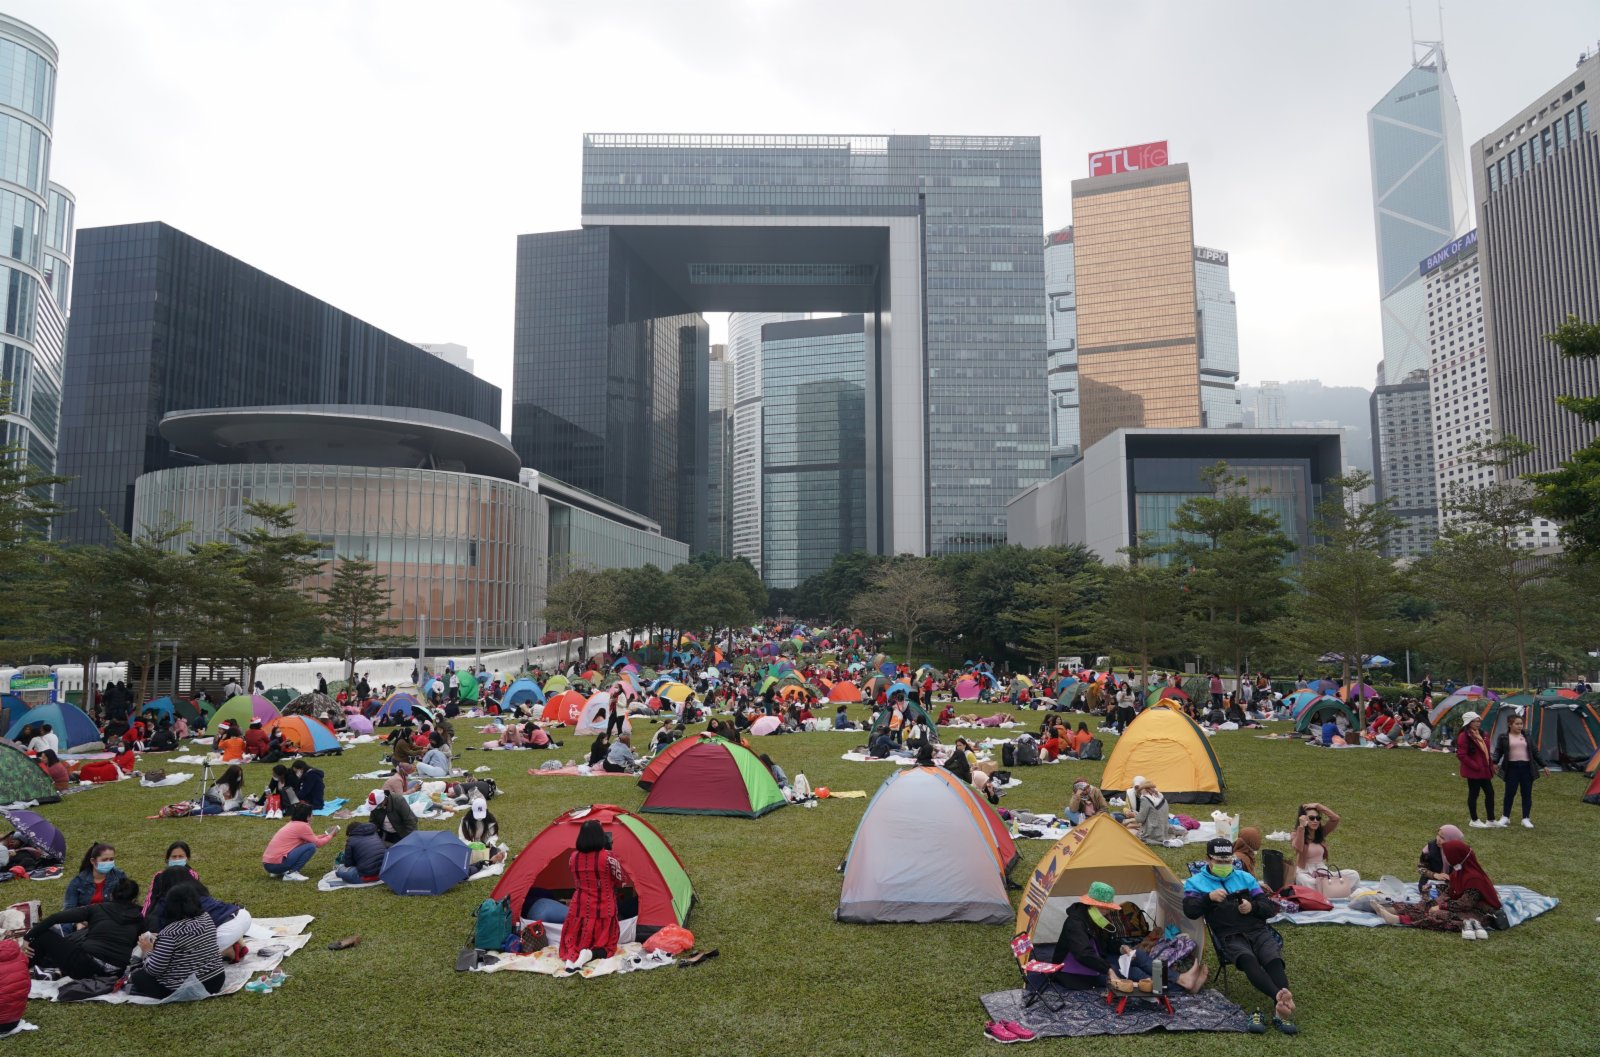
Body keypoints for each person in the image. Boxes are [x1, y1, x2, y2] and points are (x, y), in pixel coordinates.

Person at [1183, 837, 1297, 1034]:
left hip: (1257, 929)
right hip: (1229, 934)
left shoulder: (1245, 878)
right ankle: (1280, 996)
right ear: (1208, 858)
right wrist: (1208, 898)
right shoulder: (1195, 883)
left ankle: (1281, 997)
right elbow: (1190, 910)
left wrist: (1252, 906)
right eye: (1219, 861)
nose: (1224, 864)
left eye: (1228, 860)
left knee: (1273, 959)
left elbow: (1268, 908)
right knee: (1248, 960)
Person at [1040, 881, 1160, 993]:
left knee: (1137, 955)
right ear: (1094, 905)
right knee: (1132, 973)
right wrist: (1108, 969)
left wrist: (1122, 948)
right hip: (1074, 971)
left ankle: (1173, 978)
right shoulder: (1075, 922)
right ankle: (1162, 985)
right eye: (1106, 908)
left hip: (1097, 959)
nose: (1108, 912)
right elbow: (1083, 953)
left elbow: (1107, 942)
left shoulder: (1097, 918)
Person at [1375, 839, 1500, 939]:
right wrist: (1434, 900)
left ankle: (1399, 919)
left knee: (1440, 914)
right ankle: (1393, 910)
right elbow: (1450, 891)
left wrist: (1442, 906)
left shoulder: (1473, 878)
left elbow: (1466, 904)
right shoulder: (1459, 871)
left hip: (1478, 911)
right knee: (1429, 904)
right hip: (1462, 905)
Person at [23, 877, 143, 979]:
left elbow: (55, 918)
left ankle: (20, 969)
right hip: (116, 972)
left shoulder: (98, 908)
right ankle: (50, 971)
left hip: (84, 966)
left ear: (111, 895)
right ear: (134, 899)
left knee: (42, 934)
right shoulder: (141, 914)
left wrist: (28, 937)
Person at [127, 883, 226, 999]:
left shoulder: (171, 932)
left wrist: (148, 951)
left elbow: (154, 970)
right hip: (216, 980)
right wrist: (162, 939)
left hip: (185, 988)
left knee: (138, 976)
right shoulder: (206, 918)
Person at [559, 819, 632, 972]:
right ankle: (590, 954)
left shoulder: (573, 858)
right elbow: (622, 881)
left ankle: (571, 959)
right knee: (608, 946)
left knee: (575, 941)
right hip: (604, 909)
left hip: (579, 908)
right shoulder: (609, 858)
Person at [143, 868, 252, 959]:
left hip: (225, 930)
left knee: (187, 956)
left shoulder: (171, 900)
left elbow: (159, 929)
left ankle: (228, 951)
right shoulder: (198, 892)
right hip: (243, 916)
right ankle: (237, 941)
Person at [1492, 713, 1547, 828]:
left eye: (1521, 724)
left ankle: (1526, 818)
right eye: (1517, 724)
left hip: (1526, 768)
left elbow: (1535, 751)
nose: (1519, 726)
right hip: (1512, 768)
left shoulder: (1527, 735)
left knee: (1526, 793)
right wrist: (1494, 762)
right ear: (1510, 724)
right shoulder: (1503, 737)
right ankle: (1505, 817)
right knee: (1509, 793)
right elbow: (1498, 751)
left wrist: (1544, 765)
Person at [261, 803, 337, 882]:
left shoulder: (293, 824)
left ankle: (281, 871)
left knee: (309, 844)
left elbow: (312, 838)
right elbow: (318, 843)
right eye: (311, 815)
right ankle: (292, 873)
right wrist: (330, 835)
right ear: (307, 817)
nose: (312, 817)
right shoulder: (303, 826)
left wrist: (325, 835)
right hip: (276, 864)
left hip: (268, 864)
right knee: (311, 847)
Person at [1456, 711, 1496, 828]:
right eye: (1475, 721)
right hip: (1474, 771)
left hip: (1484, 770)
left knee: (1490, 793)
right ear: (1469, 722)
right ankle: (1474, 819)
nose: (1478, 723)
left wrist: (1490, 765)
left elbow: (1486, 752)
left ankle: (1491, 819)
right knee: (1474, 794)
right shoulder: (1464, 736)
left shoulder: (1482, 734)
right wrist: (1475, 765)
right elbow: (1461, 755)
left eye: (1479, 721)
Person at [1291, 803, 1342, 885]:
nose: (1315, 821)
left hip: (1321, 869)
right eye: (1311, 818)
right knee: (1311, 882)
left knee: (1352, 874)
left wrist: (1318, 806)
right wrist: (1301, 827)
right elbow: (1299, 848)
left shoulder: (1321, 833)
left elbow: (1335, 819)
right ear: (1304, 819)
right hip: (1304, 872)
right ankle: (1324, 893)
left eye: (1318, 818)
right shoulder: (1296, 834)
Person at [144, 843, 199, 918]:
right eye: (174, 857)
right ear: (168, 858)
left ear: (187, 858)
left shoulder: (192, 875)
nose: (177, 859)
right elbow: (150, 899)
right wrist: (144, 918)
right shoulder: (158, 876)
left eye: (180, 857)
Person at [64, 843, 125, 909]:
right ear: (93, 861)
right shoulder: (78, 882)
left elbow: (129, 903)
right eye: (104, 860)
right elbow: (69, 909)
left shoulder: (120, 876)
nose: (108, 862)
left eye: (111, 859)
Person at [1129, 777, 1181, 848]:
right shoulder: (1162, 798)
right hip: (1164, 831)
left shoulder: (1145, 799)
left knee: (1129, 832)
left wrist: (1134, 815)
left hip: (1153, 833)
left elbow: (1140, 819)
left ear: (1145, 789)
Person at [1417, 823, 1465, 894]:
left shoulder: (1460, 853)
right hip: (1431, 881)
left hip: (1452, 882)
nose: (1438, 839)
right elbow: (1421, 868)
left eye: (1442, 838)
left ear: (1452, 840)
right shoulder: (1430, 847)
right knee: (1428, 891)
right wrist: (1435, 875)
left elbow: (1464, 872)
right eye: (1438, 835)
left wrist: (1451, 877)